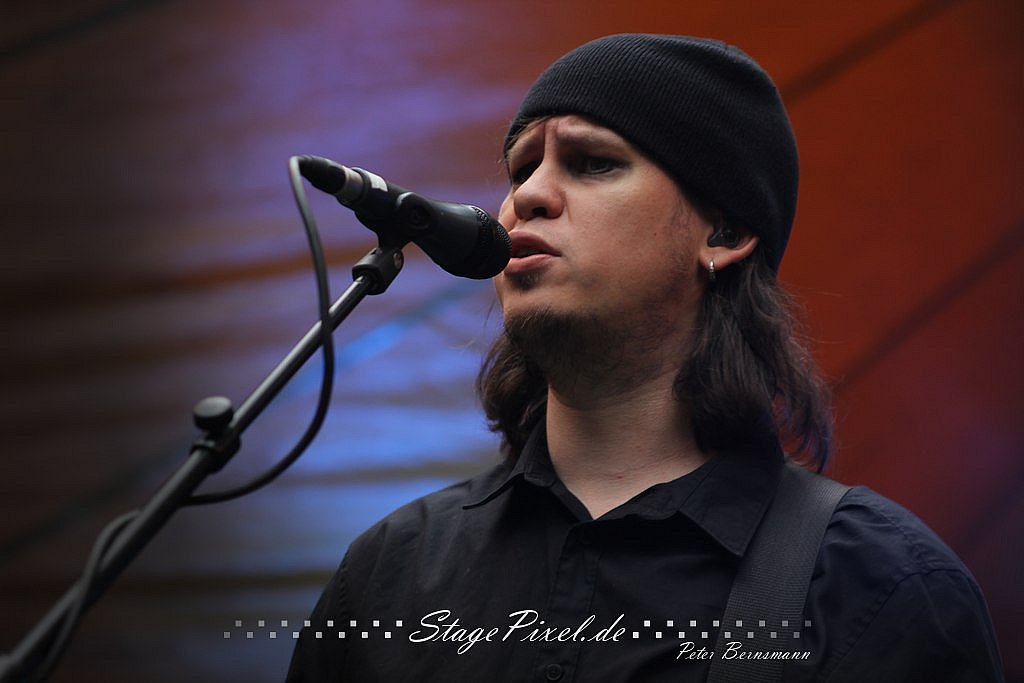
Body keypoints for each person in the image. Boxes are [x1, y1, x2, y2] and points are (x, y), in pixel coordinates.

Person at [286, 34, 1003, 682]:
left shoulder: (880, 588)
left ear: (723, 233)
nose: (528, 195)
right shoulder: (387, 574)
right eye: (521, 168)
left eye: (594, 162)